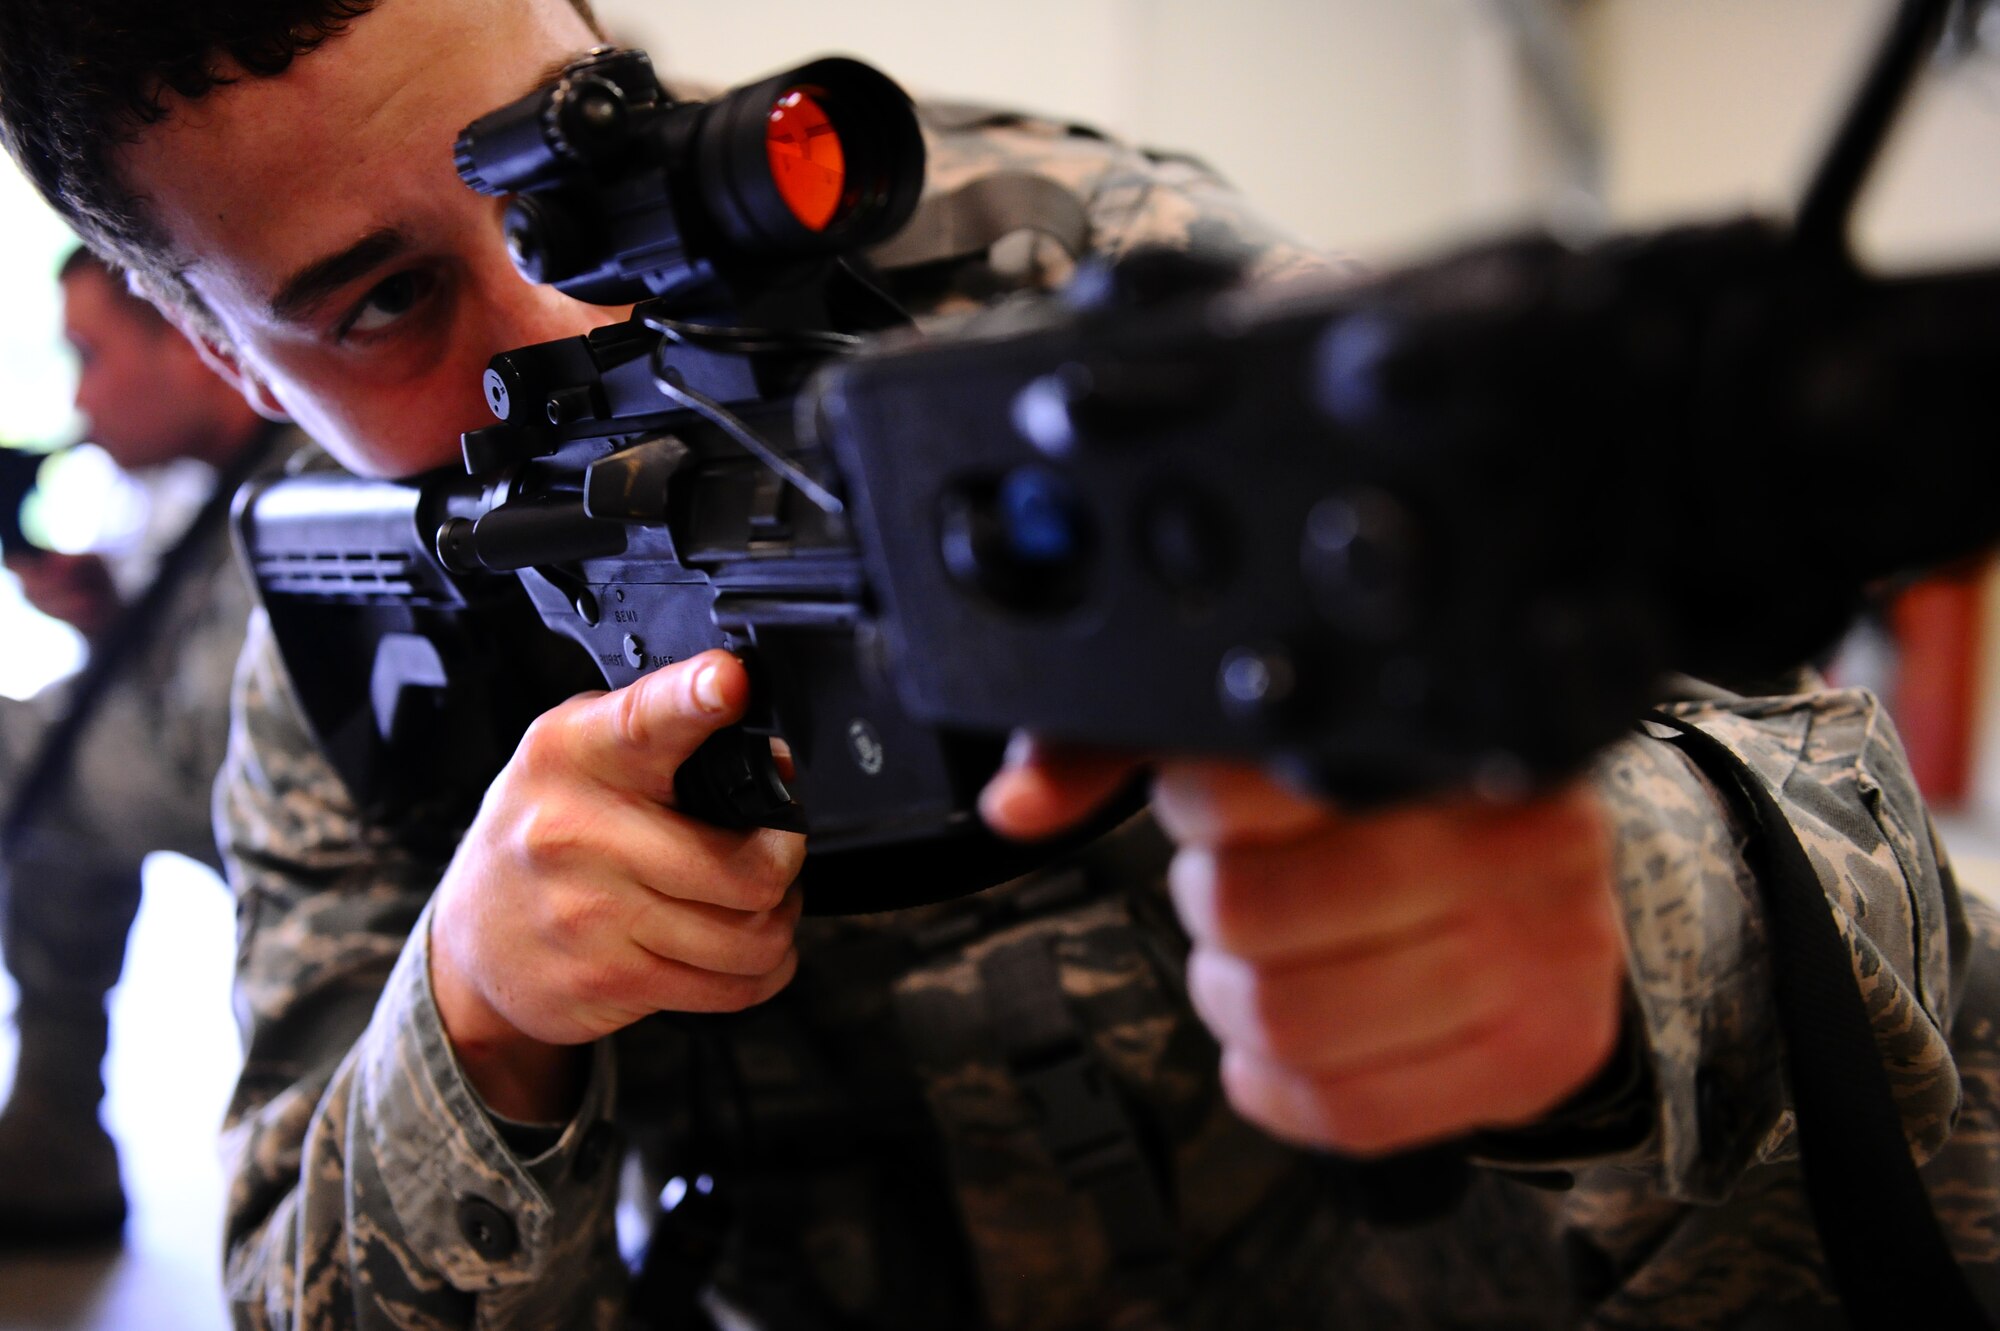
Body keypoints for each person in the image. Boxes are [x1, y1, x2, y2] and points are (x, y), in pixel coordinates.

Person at [0, 1, 1995, 1325]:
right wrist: (480, 1009)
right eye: (380, 303)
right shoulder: (362, 610)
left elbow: (1852, 853)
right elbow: (293, 1285)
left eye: (541, 153)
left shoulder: (1046, 268)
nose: (558, 320)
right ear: (229, 358)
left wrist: (1599, 929)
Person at [0, 247, 300, 1247]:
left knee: (25, 754)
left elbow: (217, 767)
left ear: (183, 338)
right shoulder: (192, 485)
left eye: (90, 352)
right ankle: (51, 1129)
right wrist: (103, 622)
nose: (80, 396)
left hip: (321, 849)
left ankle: (52, 1133)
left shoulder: (296, 477)